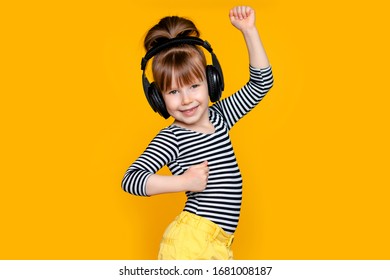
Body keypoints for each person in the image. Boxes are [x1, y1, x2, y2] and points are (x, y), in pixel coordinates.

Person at [122, 5, 273, 260]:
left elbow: (261, 84)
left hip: (217, 243)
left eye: (194, 86)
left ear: (211, 81)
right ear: (158, 98)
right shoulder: (172, 138)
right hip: (190, 243)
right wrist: (184, 182)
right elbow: (131, 180)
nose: (186, 100)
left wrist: (249, 31)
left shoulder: (221, 116)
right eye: (173, 91)